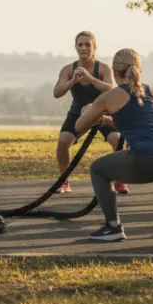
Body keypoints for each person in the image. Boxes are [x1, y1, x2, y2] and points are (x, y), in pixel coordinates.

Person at [75, 49, 153, 240]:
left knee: (97, 169)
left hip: (148, 157)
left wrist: (88, 111)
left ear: (114, 71)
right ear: (139, 68)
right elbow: (143, 121)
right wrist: (108, 120)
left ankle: (113, 227)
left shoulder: (109, 96)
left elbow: (80, 126)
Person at [51, 31, 124, 194]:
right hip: (78, 111)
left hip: (102, 111)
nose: (84, 48)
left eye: (87, 45)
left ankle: (120, 179)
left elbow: (112, 89)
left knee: (116, 139)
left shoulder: (103, 68)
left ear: (94, 48)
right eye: (80, 45)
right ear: (76, 47)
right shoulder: (69, 69)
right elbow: (57, 92)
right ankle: (64, 181)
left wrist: (90, 78)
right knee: (63, 141)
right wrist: (73, 81)